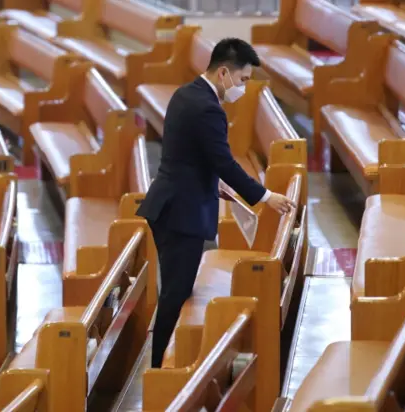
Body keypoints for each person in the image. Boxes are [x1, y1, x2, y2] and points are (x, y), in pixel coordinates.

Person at [136, 38, 296, 368]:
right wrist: (264, 196)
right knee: (175, 293)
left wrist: (214, 183)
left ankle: (164, 364)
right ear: (223, 72)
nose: (242, 87)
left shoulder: (186, 93)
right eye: (243, 80)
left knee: (175, 290)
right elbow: (223, 161)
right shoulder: (207, 107)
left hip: (172, 201)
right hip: (181, 212)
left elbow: (190, 154)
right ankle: (160, 372)